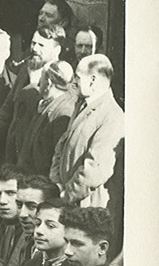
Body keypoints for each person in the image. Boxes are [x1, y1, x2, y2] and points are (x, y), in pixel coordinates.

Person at [51, 54, 124, 209]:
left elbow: (96, 169)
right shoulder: (82, 105)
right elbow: (62, 145)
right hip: (69, 201)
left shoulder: (112, 116)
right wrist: (56, 183)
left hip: (87, 206)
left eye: (77, 77)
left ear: (93, 80)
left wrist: (66, 195)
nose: (73, 82)